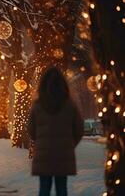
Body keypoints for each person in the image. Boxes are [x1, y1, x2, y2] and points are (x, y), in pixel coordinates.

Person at [27, 67, 84, 196]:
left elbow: (31, 129)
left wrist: (41, 142)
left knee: (44, 189)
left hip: (44, 154)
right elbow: (79, 129)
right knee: (62, 188)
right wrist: (70, 144)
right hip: (63, 153)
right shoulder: (70, 105)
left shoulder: (38, 105)